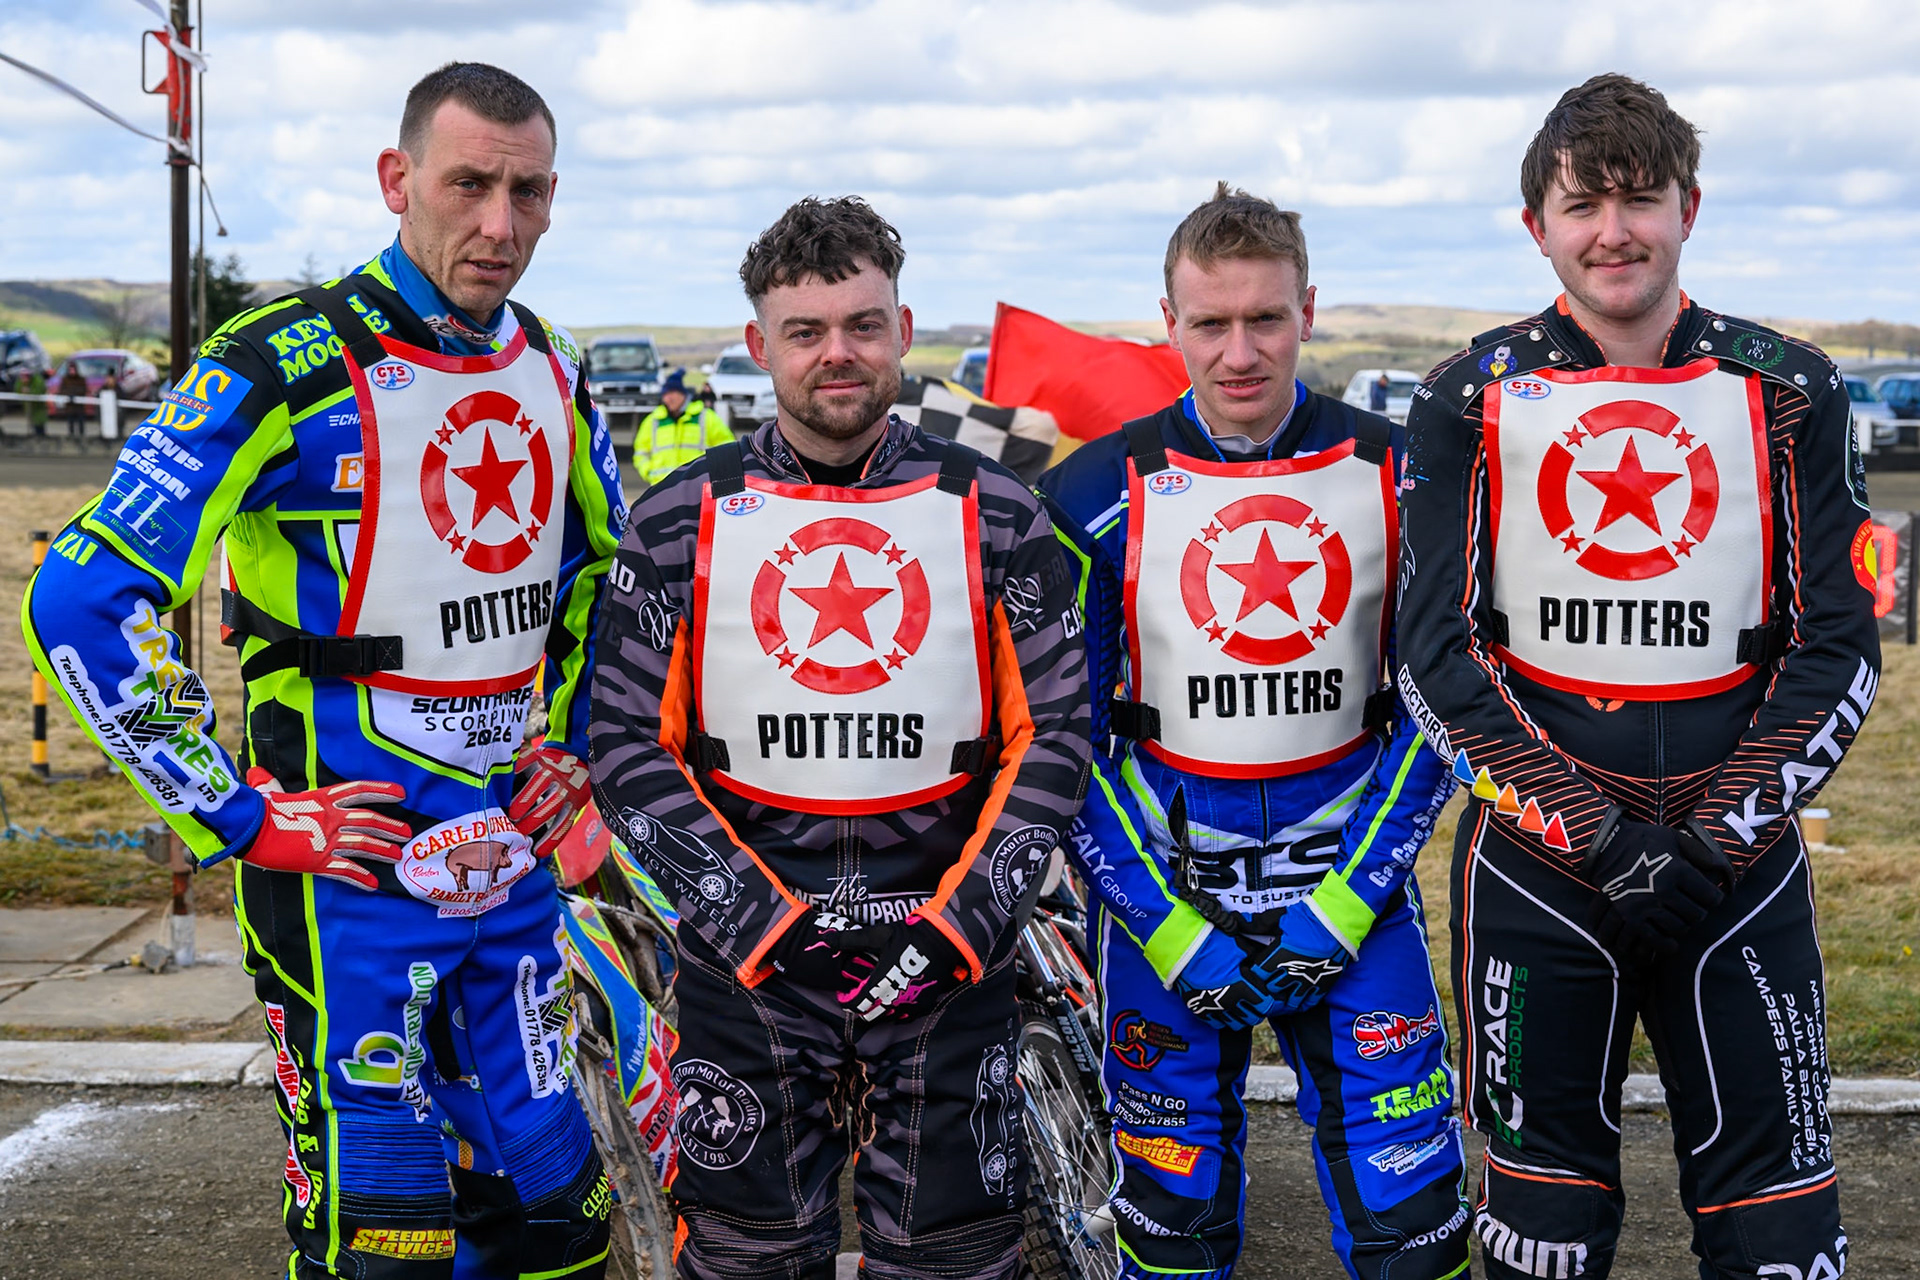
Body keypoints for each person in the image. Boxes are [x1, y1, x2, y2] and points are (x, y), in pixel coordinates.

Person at [22, 62, 626, 1279]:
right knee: (387, 1243)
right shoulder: (281, 363)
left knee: (560, 1222)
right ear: (398, 180)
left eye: (530, 192)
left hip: (512, 871)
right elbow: (83, 597)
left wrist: (574, 751)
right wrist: (233, 812)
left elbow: (599, 580)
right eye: (469, 184)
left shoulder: (555, 363)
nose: (500, 226)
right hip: (350, 877)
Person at [1398, 74, 1876, 1280]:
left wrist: (1716, 833)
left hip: (1741, 871)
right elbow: (1433, 652)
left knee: (1783, 1238)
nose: (1613, 229)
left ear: (1689, 208)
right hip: (1544, 872)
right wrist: (1599, 834)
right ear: (1537, 228)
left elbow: (1838, 644)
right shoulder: (1467, 395)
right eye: (1582, 205)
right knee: (1539, 1241)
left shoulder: (1792, 389)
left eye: (1640, 198)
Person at [588, 195, 1090, 1279]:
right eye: (806, 331)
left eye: (863, 324)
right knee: (747, 1258)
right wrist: (759, 920)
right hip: (754, 974)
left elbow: (1055, 732)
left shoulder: (998, 507)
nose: (838, 354)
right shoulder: (678, 517)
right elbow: (623, 745)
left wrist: (959, 926)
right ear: (760, 344)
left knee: (955, 1259)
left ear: (903, 332)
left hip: (947, 963)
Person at [1038, 183, 1465, 1280]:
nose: (1240, 351)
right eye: (1211, 322)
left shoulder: (1403, 474)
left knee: (1415, 1227)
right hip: (1162, 916)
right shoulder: (1091, 491)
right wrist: (1171, 929)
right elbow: (1063, 739)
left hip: (1354, 901)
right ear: (1167, 321)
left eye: (1265, 318)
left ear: (1308, 309)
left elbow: (1434, 709)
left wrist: (1346, 902)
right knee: (1170, 1238)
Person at [631, 365, 731, 487]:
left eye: (673, 393)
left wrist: (713, 475)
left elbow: (726, 447)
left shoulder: (705, 417)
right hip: (661, 488)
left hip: (698, 488)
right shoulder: (653, 420)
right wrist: (649, 472)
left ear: (683, 394)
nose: (669, 398)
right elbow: (640, 453)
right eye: (665, 394)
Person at [56, 360, 86, 436]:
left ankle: (82, 436)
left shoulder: (81, 379)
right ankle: (71, 436)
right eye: (70, 370)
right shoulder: (65, 380)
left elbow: (84, 389)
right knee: (71, 422)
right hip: (70, 406)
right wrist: (69, 395)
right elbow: (62, 390)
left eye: (73, 369)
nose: (72, 371)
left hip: (79, 406)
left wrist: (75, 394)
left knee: (80, 422)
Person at [23, 365, 48, 435]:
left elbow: (39, 392)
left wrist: (29, 391)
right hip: (31, 410)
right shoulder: (25, 378)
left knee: (40, 429)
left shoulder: (38, 380)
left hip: (39, 409)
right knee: (33, 428)